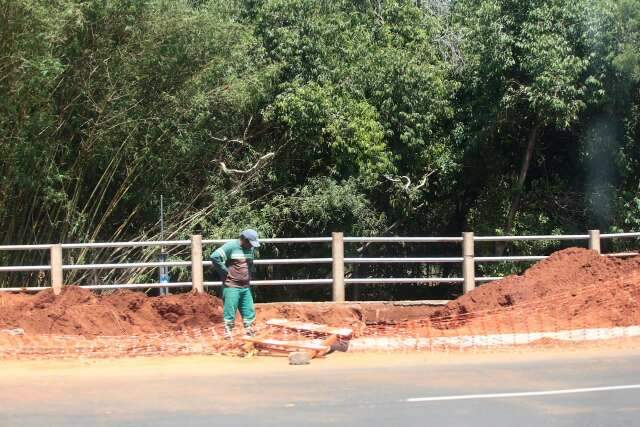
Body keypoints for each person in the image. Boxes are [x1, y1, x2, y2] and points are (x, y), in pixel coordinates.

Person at [210, 229, 260, 338]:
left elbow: (249, 265)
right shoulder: (231, 246)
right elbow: (215, 256)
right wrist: (224, 271)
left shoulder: (250, 249)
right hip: (231, 285)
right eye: (250, 243)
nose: (251, 246)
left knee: (248, 308)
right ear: (244, 239)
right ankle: (228, 333)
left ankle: (249, 330)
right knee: (230, 309)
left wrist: (248, 277)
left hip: (245, 285)